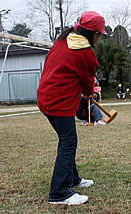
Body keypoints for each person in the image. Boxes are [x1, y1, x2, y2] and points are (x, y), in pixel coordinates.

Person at [37, 11, 106, 205]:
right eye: (99, 34)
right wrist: (89, 93)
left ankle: (73, 179)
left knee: (66, 140)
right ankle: (59, 193)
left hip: (44, 97)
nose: (99, 38)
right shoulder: (87, 54)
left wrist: (86, 92)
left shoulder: (61, 41)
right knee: (68, 142)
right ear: (94, 34)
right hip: (60, 102)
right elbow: (87, 84)